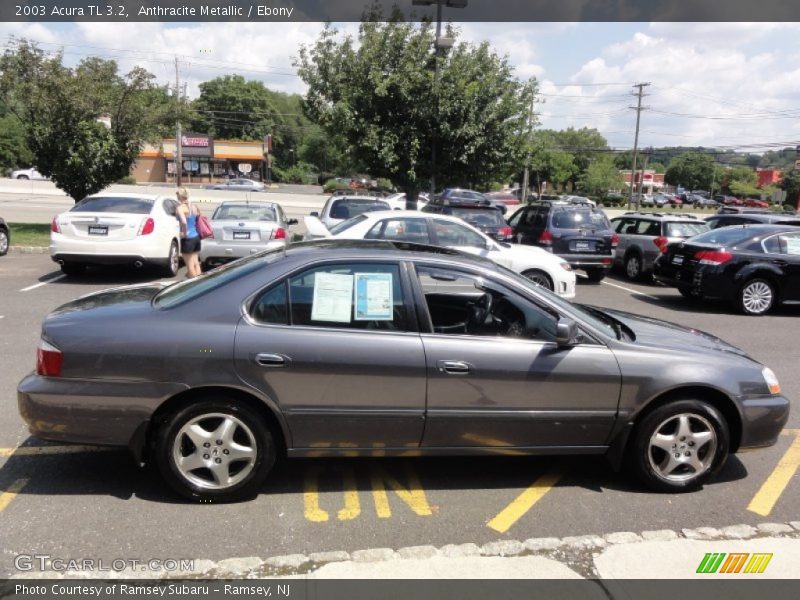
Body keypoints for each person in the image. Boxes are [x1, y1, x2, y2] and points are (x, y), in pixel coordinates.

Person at [175, 187, 202, 278]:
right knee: (196, 264)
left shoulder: (180, 208)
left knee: (190, 268)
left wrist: (184, 233)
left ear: (180, 196)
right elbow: (198, 217)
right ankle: (201, 282)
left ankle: (195, 285)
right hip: (196, 237)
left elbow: (184, 222)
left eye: (177, 195)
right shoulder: (194, 206)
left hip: (188, 239)